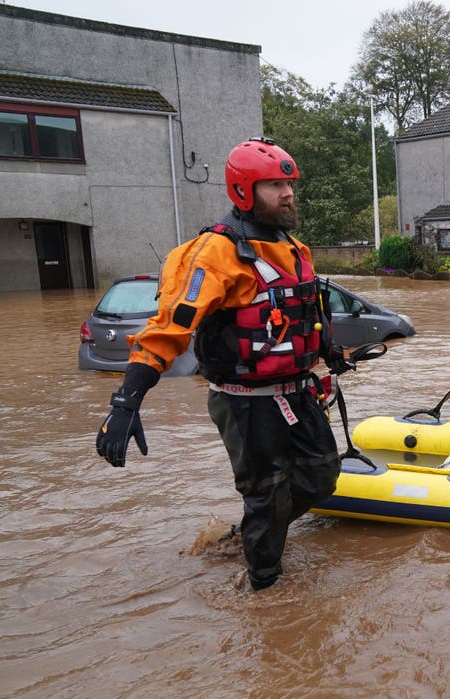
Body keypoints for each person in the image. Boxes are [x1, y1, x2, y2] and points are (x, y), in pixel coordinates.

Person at [95, 136, 351, 591]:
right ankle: (264, 589)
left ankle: (256, 531)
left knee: (321, 476)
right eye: (274, 185)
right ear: (242, 192)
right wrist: (125, 403)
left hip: (296, 391)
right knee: (267, 491)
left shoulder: (295, 248)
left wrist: (329, 353)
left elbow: (308, 313)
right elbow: (167, 330)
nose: (288, 193)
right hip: (245, 401)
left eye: (289, 184)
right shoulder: (211, 254)